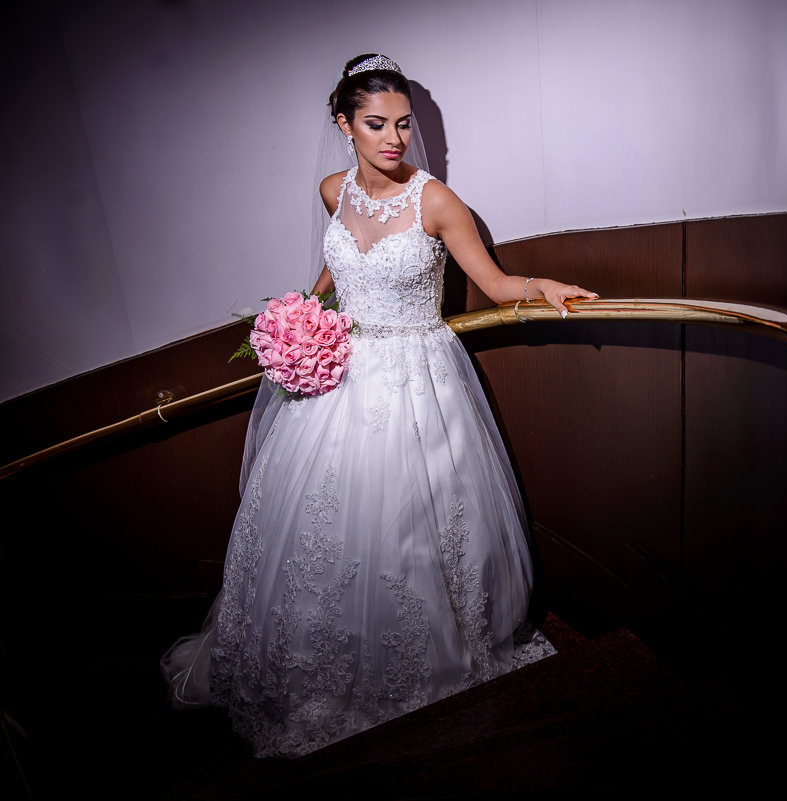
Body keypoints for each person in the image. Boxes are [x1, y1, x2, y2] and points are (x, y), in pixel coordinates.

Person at [160, 53, 598, 759]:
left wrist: (541, 284)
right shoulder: (334, 190)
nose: (393, 138)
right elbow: (332, 279)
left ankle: (421, 669)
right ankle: (321, 674)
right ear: (344, 124)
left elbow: (492, 281)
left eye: (403, 123)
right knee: (323, 531)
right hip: (340, 378)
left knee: (407, 528)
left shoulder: (436, 201)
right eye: (375, 124)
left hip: (417, 378)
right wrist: (297, 325)